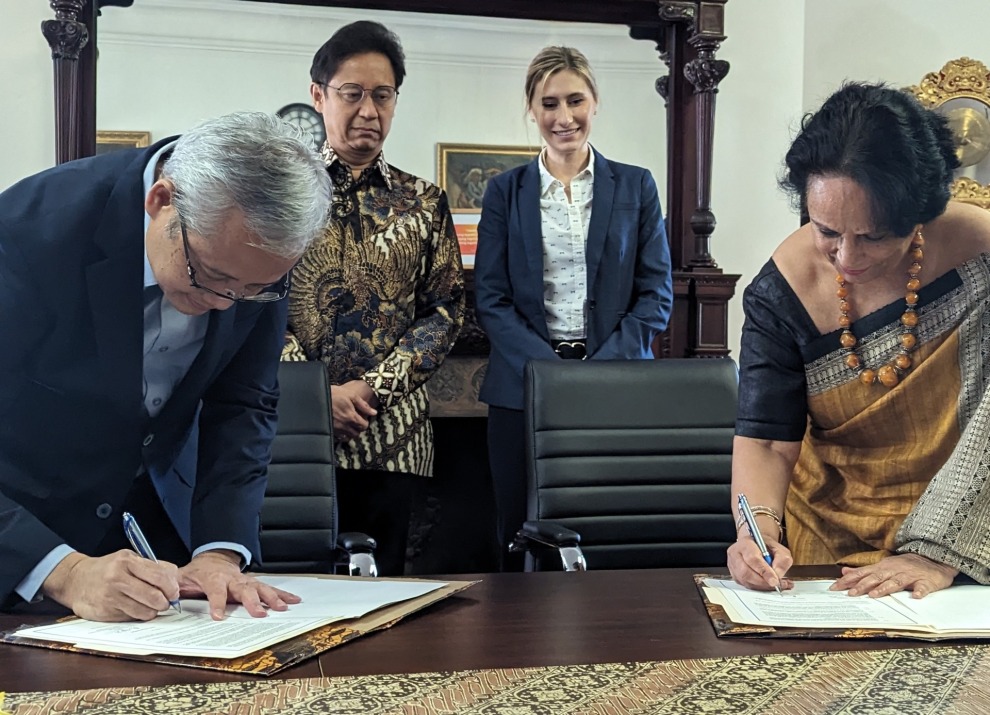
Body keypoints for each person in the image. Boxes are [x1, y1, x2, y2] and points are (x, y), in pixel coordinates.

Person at [0, 112, 332, 622]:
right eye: (211, 277)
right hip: (24, 531)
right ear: (161, 201)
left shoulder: (250, 263)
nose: (227, 304)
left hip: (158, 535)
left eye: (252, 291)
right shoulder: (26, 235)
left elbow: (244, 404)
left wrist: (219, 551)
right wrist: (62, 571)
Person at [729, 81, 990, 600]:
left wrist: (939, 551)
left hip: (955, 543)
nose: (848, 257)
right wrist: (756, 532)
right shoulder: (782, 291)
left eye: (873, 236)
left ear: (922, 212)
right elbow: (766, 441)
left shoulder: (979, 253)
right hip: (825, 549)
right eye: (826, 230)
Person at [474, 46, 673, 570]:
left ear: (595, 101)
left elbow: (656, 294)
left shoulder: (636, 185)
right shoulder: (504, 191)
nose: (564, 117)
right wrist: (548, 372)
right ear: (533, 110)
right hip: (520, 388)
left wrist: (600, 371)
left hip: (617, 385)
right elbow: (490, 298)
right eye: (550, 104)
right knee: (517, 528)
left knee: (610, 521)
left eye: (575, 100)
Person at [283, 21, 465, 576]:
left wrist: (370, 389)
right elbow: (252, 299)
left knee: (382, 591)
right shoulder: (281, 192)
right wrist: (317, 395)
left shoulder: (424, 204)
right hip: (292, 429)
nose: (368, 110)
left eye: (381, 96)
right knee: (290, 583)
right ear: (319, 96)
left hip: (392, 435)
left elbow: (445, 312)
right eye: (352, 94)